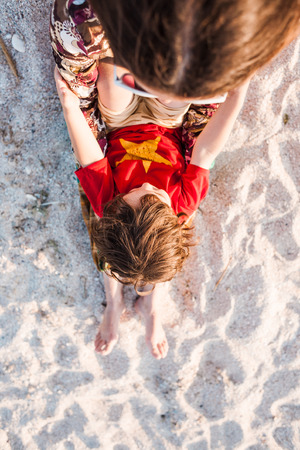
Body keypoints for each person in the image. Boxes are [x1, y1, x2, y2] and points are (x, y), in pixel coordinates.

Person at [54, 61, 251, 359]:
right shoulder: (182, 205)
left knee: (109, 80)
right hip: (168, 122)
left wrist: (70, 107)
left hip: (119, 124)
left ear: (118, 207)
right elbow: (207, 151)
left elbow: (89, 157)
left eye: (134, 195)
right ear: (171, 215)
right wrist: (236, 97)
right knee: (159, 255)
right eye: (157, 199)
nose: (147, 188)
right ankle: (150, 304)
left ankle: (115, 300)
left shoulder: (109, 205)